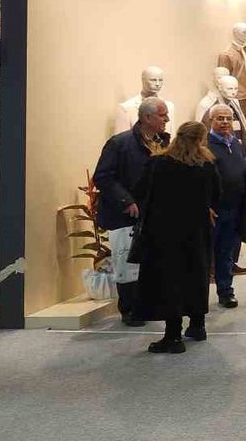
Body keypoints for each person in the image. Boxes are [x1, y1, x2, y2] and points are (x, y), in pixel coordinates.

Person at [131, 121, 222, 354]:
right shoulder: (206, 164)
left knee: (170, 280)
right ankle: (198, 326)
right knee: (197, 275)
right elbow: (217, 195)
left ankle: (173, 336)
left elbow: (140, 190)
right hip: (198, 230)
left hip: (165, 232)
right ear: (201, 140)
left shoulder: (159, 163)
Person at [92, 96, 171, 327]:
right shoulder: (119, 144)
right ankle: (129, 309)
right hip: (124, 215)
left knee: (151, 263)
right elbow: (103, 177)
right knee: (127, 265)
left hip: (152, 214)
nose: (167, 119)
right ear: (147, 117)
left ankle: (148, 305)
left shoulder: (163, 143)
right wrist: (126, 201)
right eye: (162, 115)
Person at [206, 104, 246, 309]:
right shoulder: (205, 145)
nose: (224, 122)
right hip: (213, 210)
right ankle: (198, 299)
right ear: (211, 121)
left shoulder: (236, 143)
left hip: (234, 207)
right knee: (206, 255)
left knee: (226, 252)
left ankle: (226, 292)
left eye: (228, 119)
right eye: (219, 118)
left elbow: (241, 169)